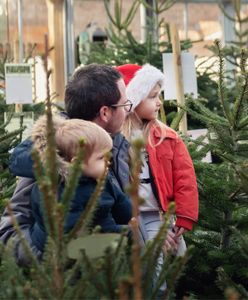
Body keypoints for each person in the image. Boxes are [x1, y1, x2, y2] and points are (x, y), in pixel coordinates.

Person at [0, 64, 132, 264]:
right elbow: (10, 233)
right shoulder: (54, 156)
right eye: (124, 105)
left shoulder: (115, 142)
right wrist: (59, 258)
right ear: (105, 112)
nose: (128, 111)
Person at [116, 63, 199, 291]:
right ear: (134, 99)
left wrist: (184, 217)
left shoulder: (166, 137)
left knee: (157, 270)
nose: (159, 102)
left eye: (159, 96)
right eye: (152, 97)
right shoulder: (115, 139)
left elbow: (185, 179)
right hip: (125, 216)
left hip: (155, 214)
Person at [28, 116, 132, 253]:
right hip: (64, 259)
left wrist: (128, 216)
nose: (108, 161)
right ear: (77, 162)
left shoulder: (100, 180)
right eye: (101, 157)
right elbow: (74, 234)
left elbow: (122, 205)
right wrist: (123, 233)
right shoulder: (61, 192)